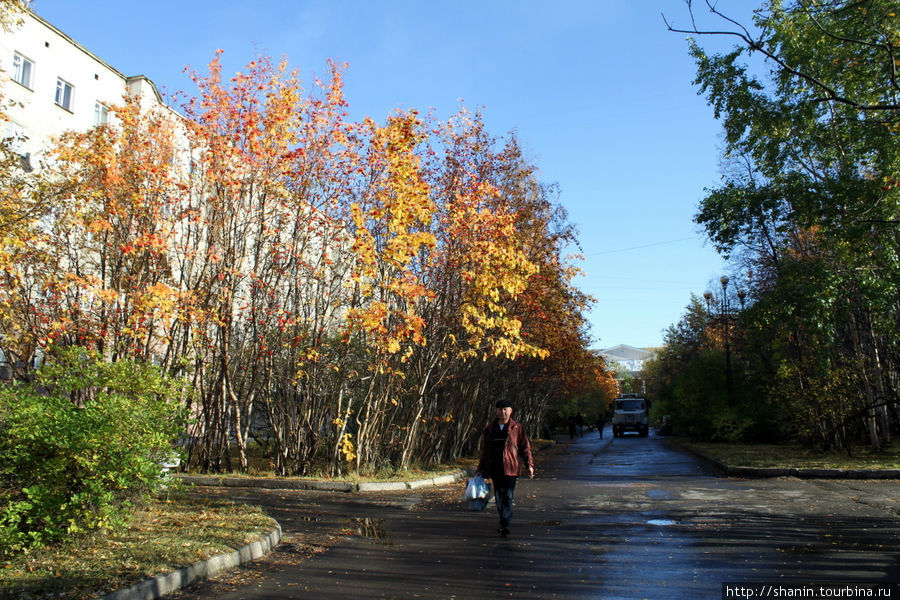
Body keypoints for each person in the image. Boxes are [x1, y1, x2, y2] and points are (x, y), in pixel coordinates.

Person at [477, 399, 534, 537]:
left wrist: (529, 465)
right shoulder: (490, 428)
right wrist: (480, 468)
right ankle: (504, 521)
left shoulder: (516, 427)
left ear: (510, 411)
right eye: (500, 409)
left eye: (505, 409)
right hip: (495, 467)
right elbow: (485, 450)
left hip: (511, 467)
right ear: (496, 411)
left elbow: (525, 447)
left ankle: (505, 524)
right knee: (498, 496)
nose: (502, 412)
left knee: (508, 496)